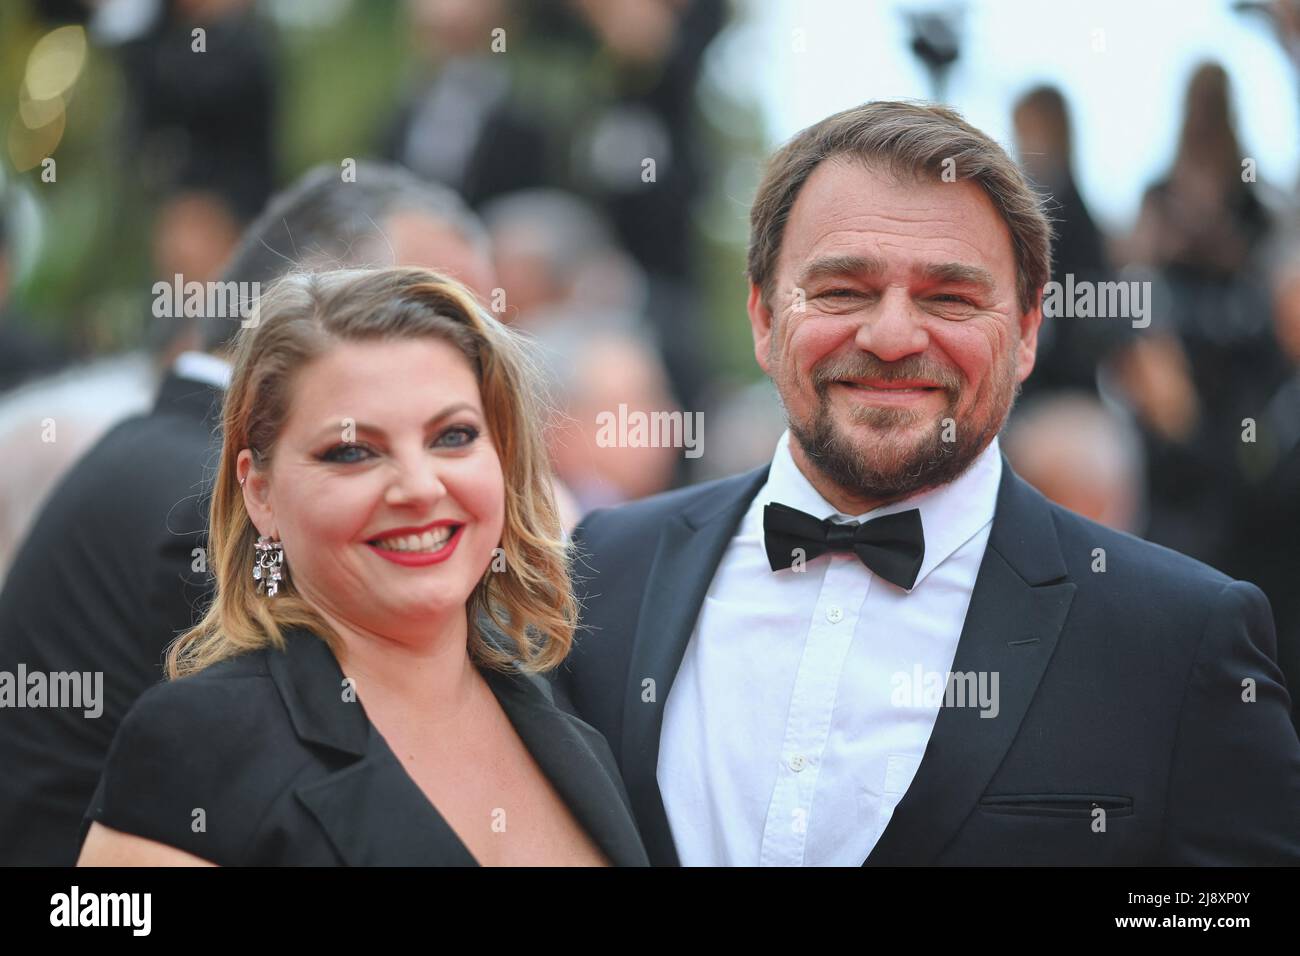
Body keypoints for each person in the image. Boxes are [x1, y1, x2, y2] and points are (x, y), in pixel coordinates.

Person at [550, 100, 1300, 866]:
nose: (893, 337)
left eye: (951, 298)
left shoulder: (1180, 637)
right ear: (763, 317)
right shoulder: (605, 566)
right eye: (843, 290)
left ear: (1029, 333)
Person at [0, 162, 496, 865]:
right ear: (313, 300)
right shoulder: (209, 499)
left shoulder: (162, 449)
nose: (471, 358)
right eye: (426, 312)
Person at [77, 267, 647, 866]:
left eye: (453, 436)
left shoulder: (567, 710)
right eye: (351, 451)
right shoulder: (197, 744)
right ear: (260, 493)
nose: (420, 488)